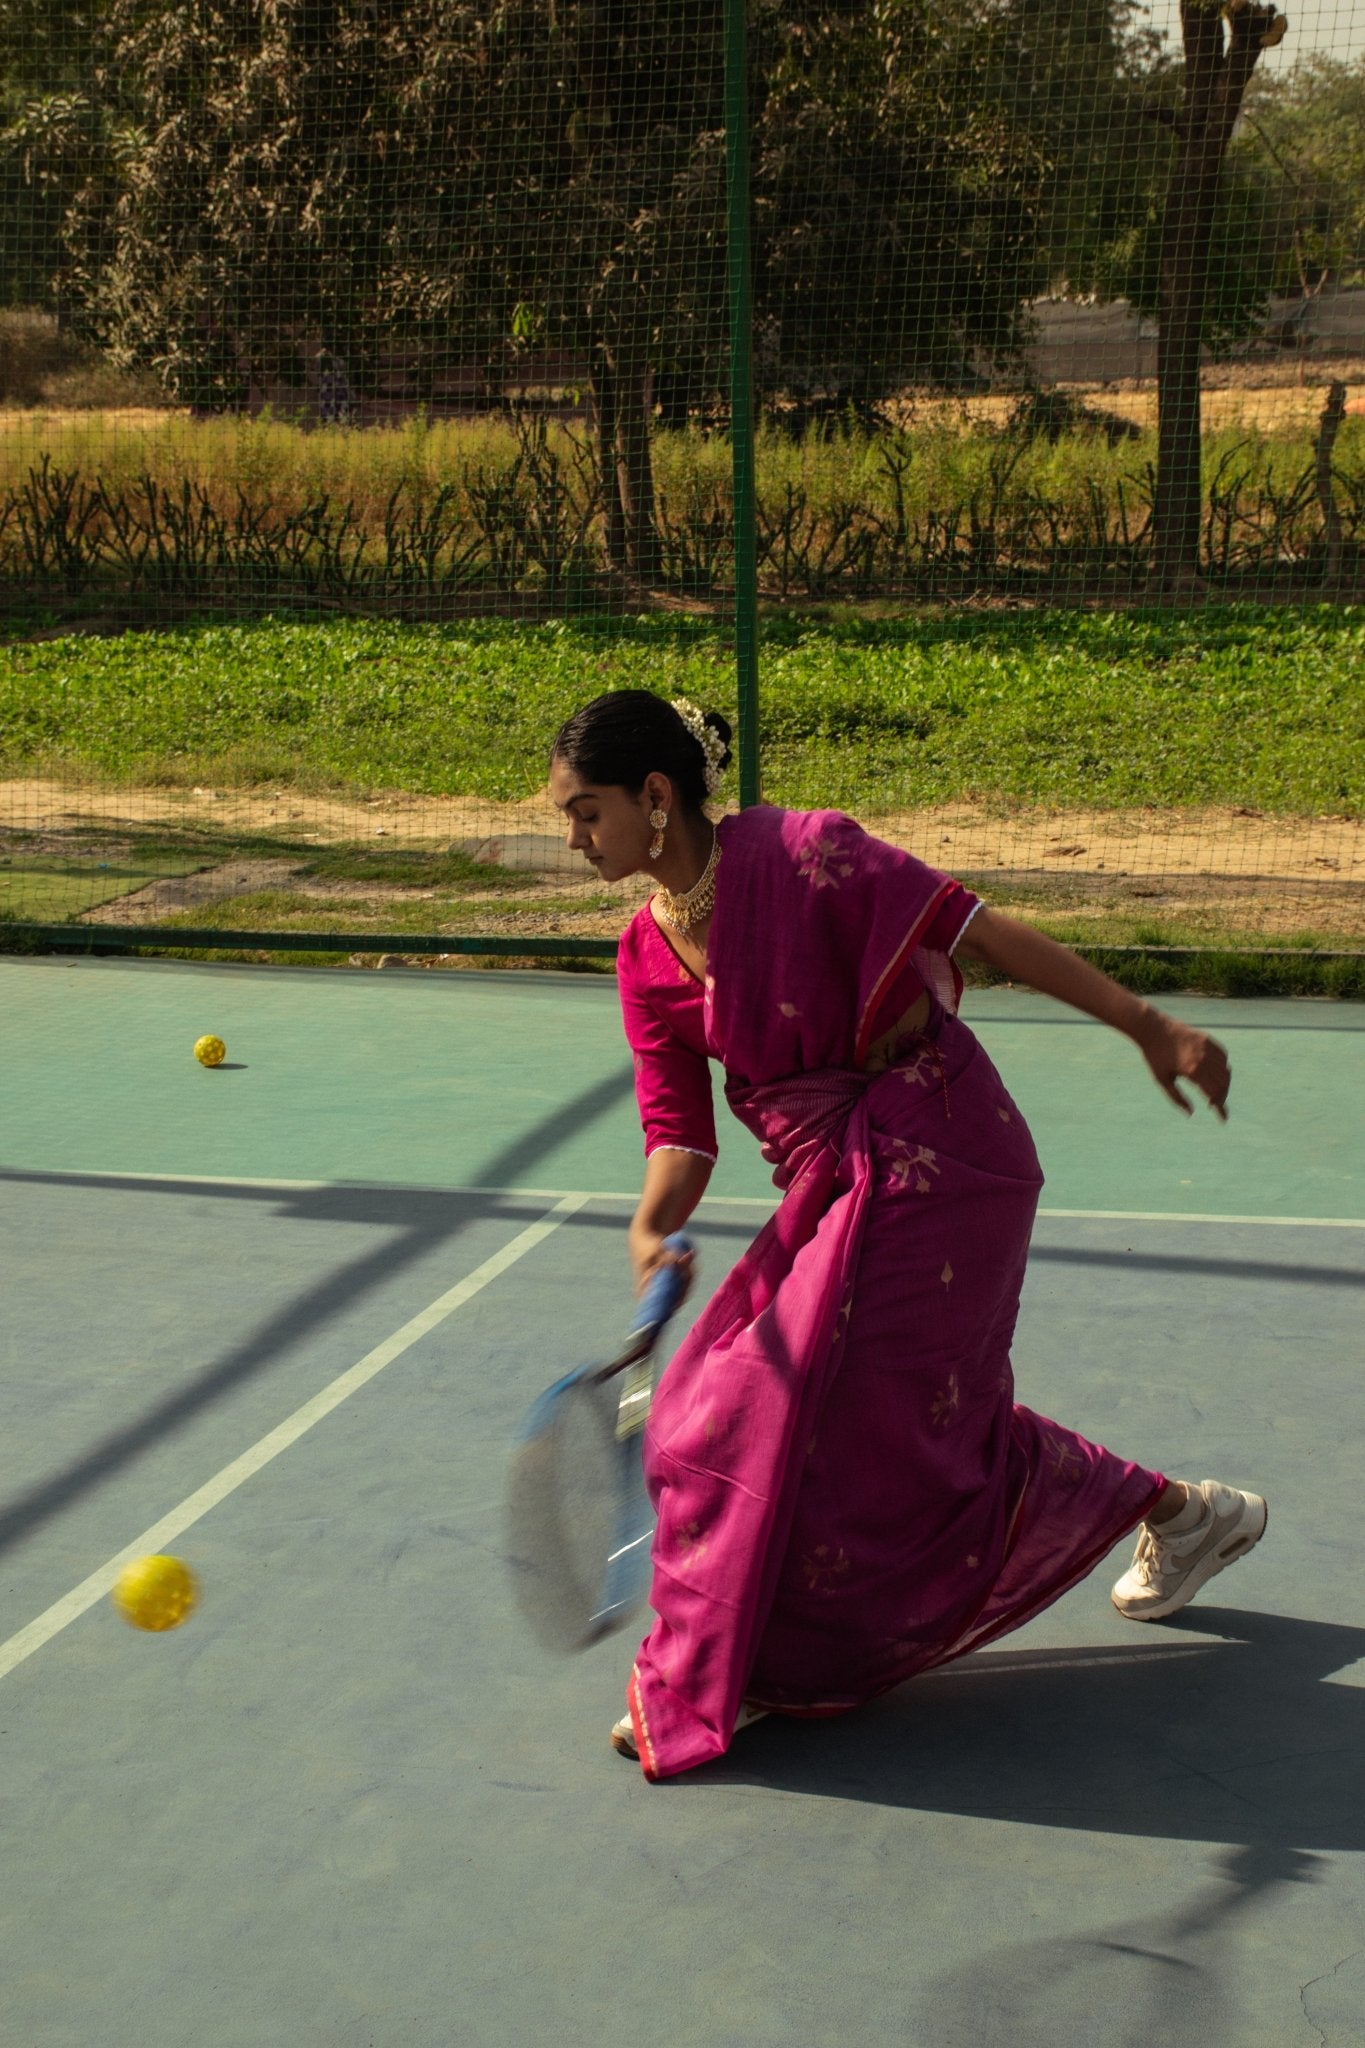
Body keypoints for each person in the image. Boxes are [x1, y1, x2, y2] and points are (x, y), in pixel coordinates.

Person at [548, 690, 1268, 1782]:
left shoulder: (804, 855)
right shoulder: (645, 958)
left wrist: (1148, 1023)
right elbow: (679, 1135)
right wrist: (653, 1223)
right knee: (893, 1434)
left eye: (584, 811)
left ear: (655, 797)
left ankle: (714, 1675)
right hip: (833, 1188)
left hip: (942, 1152)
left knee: (726, 1417)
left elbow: (981, 929)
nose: (571, 838)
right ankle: (1184, 1509)